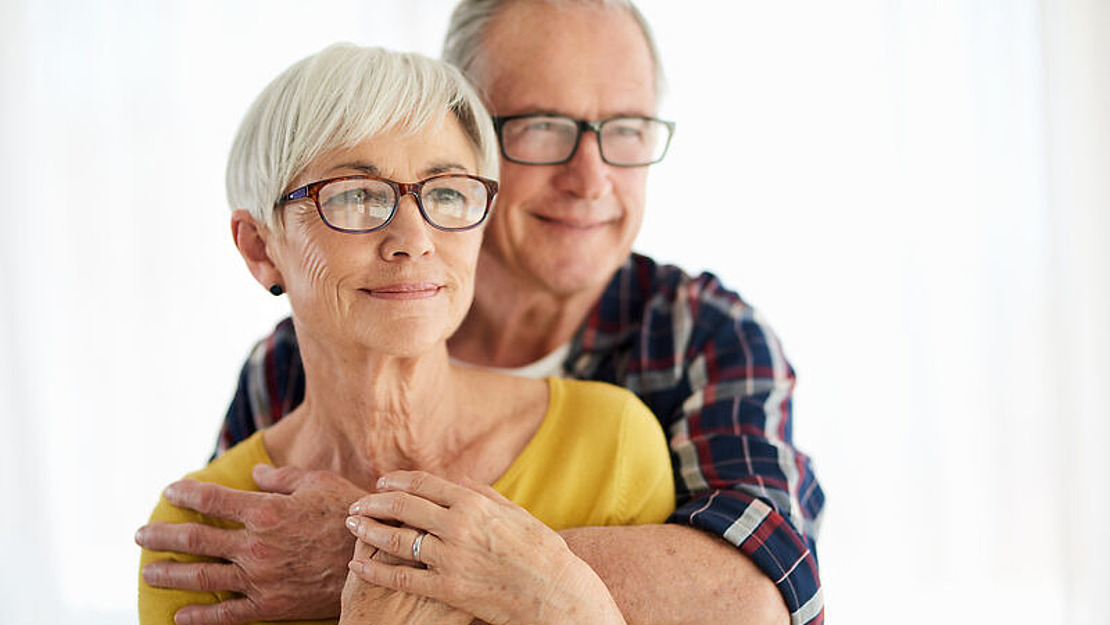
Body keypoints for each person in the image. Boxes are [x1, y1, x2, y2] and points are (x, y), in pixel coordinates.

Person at [135, 1, 826, 624]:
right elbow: (250, 556)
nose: (591, 179)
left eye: (627, 129)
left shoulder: (701, 337)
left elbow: (760, 595)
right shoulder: (287, 362)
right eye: (543, 126)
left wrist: (366, 550)